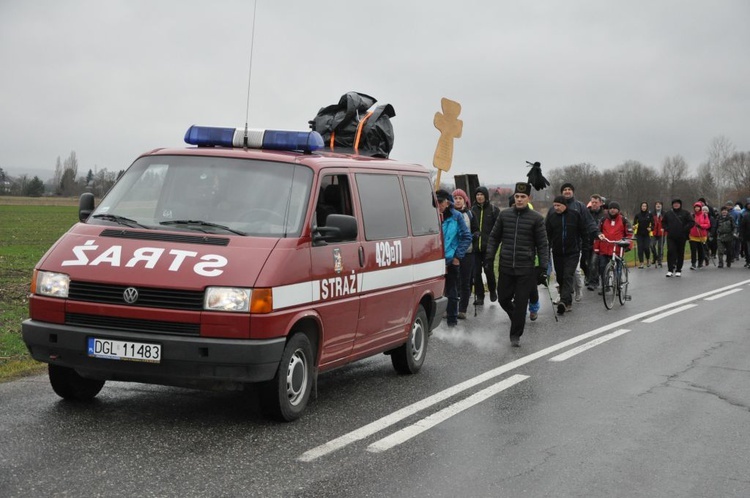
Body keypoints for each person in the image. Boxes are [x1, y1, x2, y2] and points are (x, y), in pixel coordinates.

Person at [485, 182, 549, 347]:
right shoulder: (504, 215)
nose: (519, 199)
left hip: (525, 268)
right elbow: (494, 237)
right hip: (506, 266)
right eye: (517, 196)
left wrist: (543, 267)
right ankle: (518, 319)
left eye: (523, 197)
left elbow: (542, 245)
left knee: (521, 303)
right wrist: (490, 257)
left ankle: (515, 335)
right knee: (503, 299)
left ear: (529, 198)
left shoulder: (536, 218)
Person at [545, 195, 594, 314]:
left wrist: (585, 249)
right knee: (560, 277)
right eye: (554, 205)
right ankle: (567, 301)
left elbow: (584, 232)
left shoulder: (575, 215)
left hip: (573, 252)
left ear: (564, 205)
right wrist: (547, 250)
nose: (556, 208)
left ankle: (563, 301)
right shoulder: (551, 218)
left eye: (558, 205)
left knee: (568, 275)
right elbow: (547, 236)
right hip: (557, 253)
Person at [436, 189, 472, 327]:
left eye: (440, 202)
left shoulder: (456, 217)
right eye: (436, 202)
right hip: (434, 259)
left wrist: (458, 256)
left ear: (446, 202)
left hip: (451, 259)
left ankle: (452, 320)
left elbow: (467, 237)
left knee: (451, 290)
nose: (438, 205)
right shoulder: (432, 216)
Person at [559, 183, 597, 300]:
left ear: (573, 192)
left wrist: (597, 233)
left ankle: (578, 289)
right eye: (565, 189)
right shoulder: (557, 206)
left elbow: (589, 222)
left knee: (574, 271)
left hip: (576, 245)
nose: (567, 191)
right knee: (560, 272)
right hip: (560, 245)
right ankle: (563, 294)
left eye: (569, 189)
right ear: (561, 192)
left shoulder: (580, 206)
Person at [593, 202, 633, 293]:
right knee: (602, 267)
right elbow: (597, 233)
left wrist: (627, 244)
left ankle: (618, 285)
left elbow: (629, 234)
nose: (612, 210)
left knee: (618, 267)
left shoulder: (623, 220)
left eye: (615, 208)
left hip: (618, 248)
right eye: (611, 208)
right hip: (604, 248)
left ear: (618, 210)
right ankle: (605, 285)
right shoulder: (603, 220)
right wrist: (596, 247)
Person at [470, 186, 500, 305]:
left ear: (486, 196)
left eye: (481, 194)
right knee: (476, 273)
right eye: (477, 195)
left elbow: (498, 229)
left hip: (489, 247)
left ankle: (492, 290)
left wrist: (495, 243)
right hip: (475, 247)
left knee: (489, 271)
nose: (479, 197)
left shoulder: (494, 210)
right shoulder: (471, 210)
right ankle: (480, 296)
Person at [452, 188, 477, 319]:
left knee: (465, 282)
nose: (457, 200)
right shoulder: (448, 214)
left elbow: (476, 230)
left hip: (468, 252)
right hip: (452, 253)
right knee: (452, 281)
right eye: (455, 198)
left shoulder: (470, 214)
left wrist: (474, 236)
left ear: (465, 200)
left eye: (460, 198)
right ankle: (450, 308)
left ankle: (462, 309)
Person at [662, 198, 694, 277]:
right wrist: (667, 229)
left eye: (677, 203)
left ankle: (678, 269)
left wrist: (685, 229)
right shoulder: (668, 213)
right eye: (674, 203)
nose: (676, 205)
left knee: (680, 253)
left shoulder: (685, 213)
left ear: (680, 204)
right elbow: (663, 222)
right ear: (672, 205)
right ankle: (670, 269)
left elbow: (691, 222)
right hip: (671, 236)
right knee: (670, 252)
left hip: (681, 236)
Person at [585, 194, 606, 290]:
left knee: (594, 262)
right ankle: (589, 277)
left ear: (600, 203)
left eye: (596, 202)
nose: (594, 204)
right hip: (587, 241)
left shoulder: (605, 215)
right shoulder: (587, 213)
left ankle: (594, 282)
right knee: (585, 263)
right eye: (592, 202)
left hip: (599, 243)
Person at [688, 201, 710, 270]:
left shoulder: (704, 215)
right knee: (693, 251)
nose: (697, 209)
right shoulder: (691, 215)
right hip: (693, 236)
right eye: (695, 207)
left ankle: (700, 262)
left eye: (698, 207)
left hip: (702, 236)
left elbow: (708, 224)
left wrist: (700, 226)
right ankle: (693, 263)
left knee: (701, 250)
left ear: (700, 208)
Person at [633, 201, 653, 268]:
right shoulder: (637, 215)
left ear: (647, 207)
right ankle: (641, 263)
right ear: (641, 207)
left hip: (647, 234)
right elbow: (634, 223)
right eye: (643, 206)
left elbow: (653, 224)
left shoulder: (649, 215)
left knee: (646, 248)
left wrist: (650, 228)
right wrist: (634, 226)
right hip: (639, 234)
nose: (644, 207)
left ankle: (648, 259)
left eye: (645, 206)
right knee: (640, 248)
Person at [650, 201, 665, 267]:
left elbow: (667, 222)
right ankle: (655, 256)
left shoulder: (664, 213)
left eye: (659, 204)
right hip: (654, 232)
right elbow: (649, 222)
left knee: (660, 247)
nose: (658, 205)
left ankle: (659, 260)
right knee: (651, 245)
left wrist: (664, 228)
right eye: (657, 204)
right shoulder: (652, 213)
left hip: (661, 232)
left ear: (661, 206)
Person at [740, 198, 750, 268]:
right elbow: (742, 226)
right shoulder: (745, 215)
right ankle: (748, 261)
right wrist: (741, 235)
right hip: (747, 236)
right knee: (748, 250)